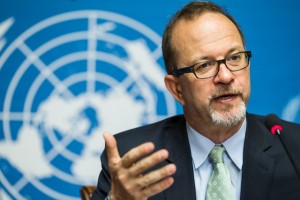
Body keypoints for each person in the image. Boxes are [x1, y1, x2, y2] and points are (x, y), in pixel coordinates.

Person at [91, 1, 300, 200]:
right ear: (177, 89)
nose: (226, 76)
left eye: (235, 58)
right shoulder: (132, 161)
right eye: (204, 65)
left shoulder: (294, 149)